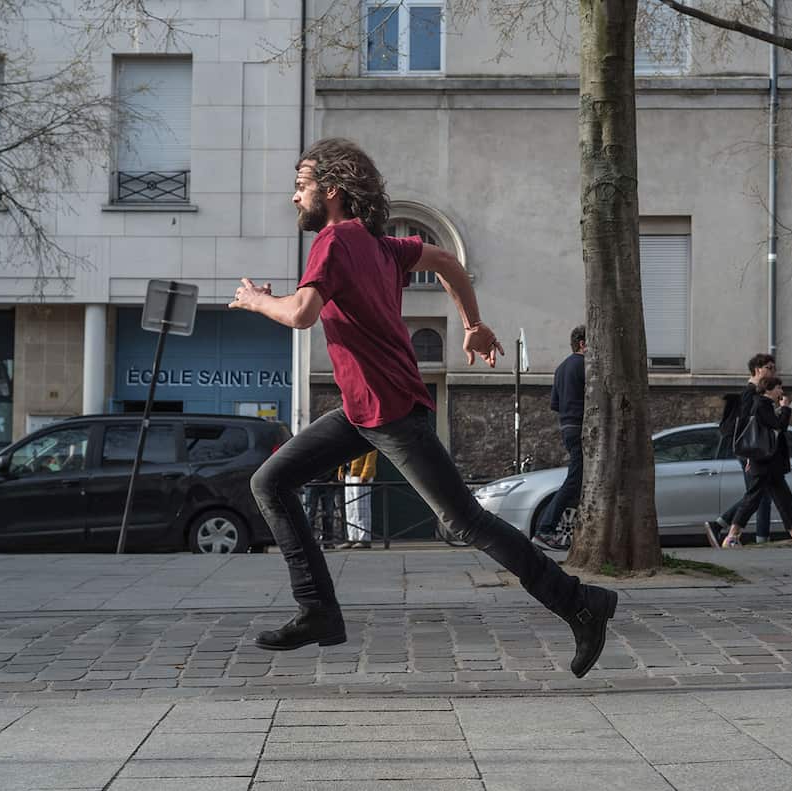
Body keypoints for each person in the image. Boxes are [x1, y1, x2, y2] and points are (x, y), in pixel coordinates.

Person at [231, 137, 617, 677]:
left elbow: (300, 313)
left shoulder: (336, 239)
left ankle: (580, 602)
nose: (295, 197)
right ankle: (317, 610)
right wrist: (472, 324)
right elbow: (447, 263)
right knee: (269, 482)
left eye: (301, 186)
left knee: (466, 522)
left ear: (332, 191)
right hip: (361, 412)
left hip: (388, 412)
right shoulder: (383, 246)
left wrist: (255, 301)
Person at [719, 377, 792, 547]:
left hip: (768, 462)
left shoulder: (764, 405)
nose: (781, 392)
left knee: (784, 499)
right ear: (769, 389)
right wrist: (786, 409)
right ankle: (731, 536)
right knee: (753, 498)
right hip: (765, 462)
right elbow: (779, 426)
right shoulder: (762, 404)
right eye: (779, 388)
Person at [705, 353, 776, 547]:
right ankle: (758, 539)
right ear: (757, 369)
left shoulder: (758, 393)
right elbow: (746, 427)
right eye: (769, 368)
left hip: (753, 451)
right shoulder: (750, 393)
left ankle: (720, 525)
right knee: (758, 495)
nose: (773, 371)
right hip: (749, 451)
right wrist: (749, 458)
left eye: (774, 368)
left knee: (758, 493)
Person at [535, 324, 585, 543]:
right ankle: (545, 528)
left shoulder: (561, 368)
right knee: (574, 480)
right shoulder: (585, 365)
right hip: (581, 426)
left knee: (579, 478)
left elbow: (555, 404)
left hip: (566, 427)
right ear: (582, 343)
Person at [339, 450, 377, 549]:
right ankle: (352, 537)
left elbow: (371, 453)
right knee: (350, 507)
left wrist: (367, 472)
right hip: (349, 471)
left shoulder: (366, 435)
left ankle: (364, 538)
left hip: (360, 473)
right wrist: (341, 469)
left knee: (361, 506)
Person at [303, 466, 342, 548]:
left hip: (328, 482)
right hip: (311, 482)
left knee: (328, 513)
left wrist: (334, 479)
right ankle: (309, 541)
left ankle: (328, 541)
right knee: (310, 513)